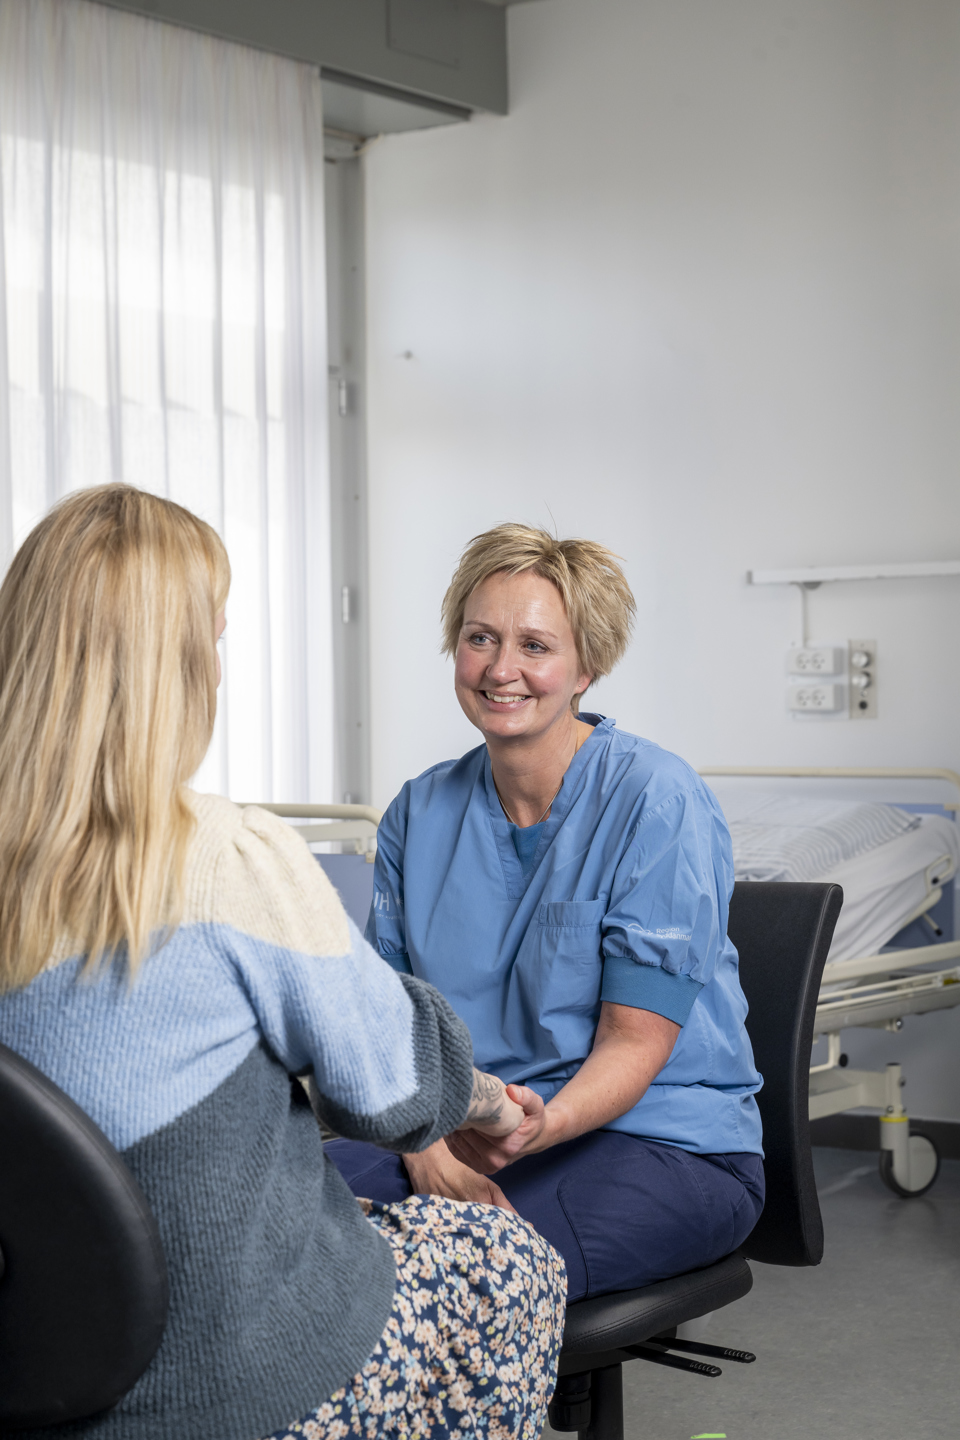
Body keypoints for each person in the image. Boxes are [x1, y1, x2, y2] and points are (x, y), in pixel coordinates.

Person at [0, 489, 566, 1440]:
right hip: (221, 1383)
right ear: (179, 665)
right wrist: (490, 1104)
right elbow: (392, 1088)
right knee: (504, 1261)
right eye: (214, 638)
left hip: (34, 1364)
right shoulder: (226, 855)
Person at [328, 524, 765, 1304]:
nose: (501, 670)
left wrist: (536, 1128)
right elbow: (388, 1022)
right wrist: (426, 1144)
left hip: (659, 1145)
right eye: (479, 639)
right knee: (267, 1225)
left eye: (535, 646)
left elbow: (636, 1040)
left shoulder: (655, 801)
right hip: (464, 1132)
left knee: (446, 1280)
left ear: (586, 667)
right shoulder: (419, 812)